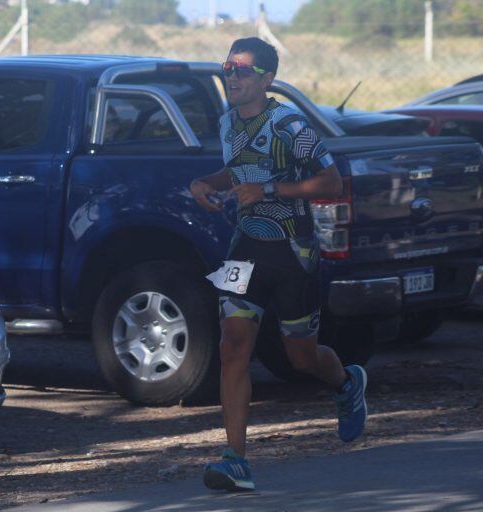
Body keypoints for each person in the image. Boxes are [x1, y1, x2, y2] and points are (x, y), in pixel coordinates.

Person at [189, 37, 367, 492]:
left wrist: (270, 192)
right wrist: (204, 182)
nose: (232, 76)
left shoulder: (289, 123)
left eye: (242, 69)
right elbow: (238, 169)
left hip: (293, 252)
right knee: (232, 347)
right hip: (243, 248)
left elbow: (331, 181)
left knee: (300, 356)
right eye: (227, 67)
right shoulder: (229, 122)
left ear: (266, 78)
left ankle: (346, 384)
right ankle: (235, 460)